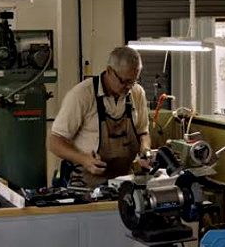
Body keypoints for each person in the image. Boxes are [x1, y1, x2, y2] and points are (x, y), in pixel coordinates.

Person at [49, 46, 151, 188]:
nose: (128, 87)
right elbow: (55, 142)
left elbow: (143, 133)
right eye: (124, 81)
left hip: (123, 183)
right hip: (86, 185)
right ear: (109, 71)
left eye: (133, 81)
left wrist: (145, 151)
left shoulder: (137, 93)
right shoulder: (82, 95)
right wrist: (84, 159)